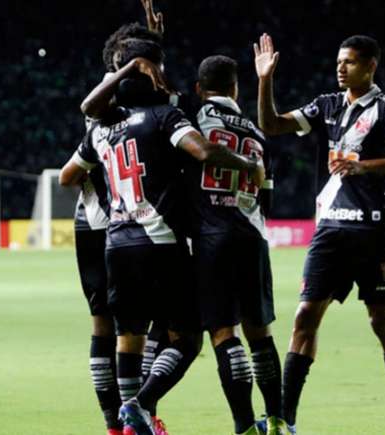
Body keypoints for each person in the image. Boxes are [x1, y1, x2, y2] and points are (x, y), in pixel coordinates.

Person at [62, 36, 265, 435]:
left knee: (128, 337)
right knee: (188, 339)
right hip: (160, 241)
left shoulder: (101, 125)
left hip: (115, 242)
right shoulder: (164, 117)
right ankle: (140, 405)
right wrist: (245, 164)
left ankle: (124, 422)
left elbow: (68, 176)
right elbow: (203, 152)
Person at [254, 33, 385, 435]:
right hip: (330, 229)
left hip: (371, 230)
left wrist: (364, 166)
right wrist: (265, 80)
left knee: (381, 321)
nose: (340, 67)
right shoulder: (327, 105)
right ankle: (286, 419)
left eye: (349, 62)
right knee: (304, 316)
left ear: (370, 66)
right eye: (338, 61)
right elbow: (271, 124)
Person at [188, 54, 283, 435]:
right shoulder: (258, 134)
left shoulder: (192, 122)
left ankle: (244, 426)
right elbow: (268, 198)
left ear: (199, 89)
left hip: (212, 237)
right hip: (252, 235)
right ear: (235, 89)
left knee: (224, 333)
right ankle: (277, 420)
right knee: (260, 332)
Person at [60, 118, 124, 435]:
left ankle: (113, 424)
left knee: (101, 324)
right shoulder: (129, 108)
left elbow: (68, 176)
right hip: (125, 226)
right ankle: (139, 414)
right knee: (140, 325)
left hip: (87, 224)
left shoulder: (94, 108)